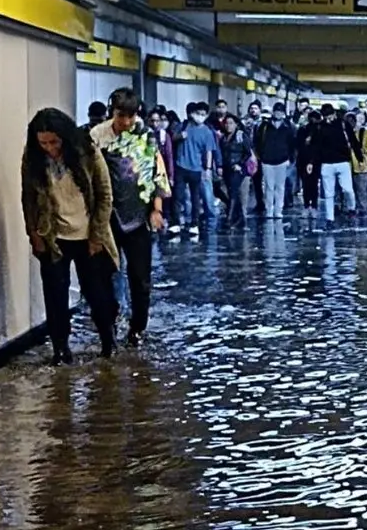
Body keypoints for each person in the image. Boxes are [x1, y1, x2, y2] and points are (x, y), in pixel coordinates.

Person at [21, 108, 119, 363]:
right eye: (43, 143)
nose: (49, 148)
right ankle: (61, 349)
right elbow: (28, 199)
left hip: (89, 236)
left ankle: (108, 341)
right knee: (55, 297)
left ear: (64, 137)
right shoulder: (33, 159)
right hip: (53, 237)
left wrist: (97, 235)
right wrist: (34, 234)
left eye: (54, 142)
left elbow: (105, 195)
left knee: (97, 294)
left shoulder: (87, 152)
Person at [90, 88, 170, 346]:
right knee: (105, 274)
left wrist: (157, 208)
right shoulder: (98, 136)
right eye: (120, 115)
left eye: (130, 116)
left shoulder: (145, 135)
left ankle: (137, 328)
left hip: (139, 214)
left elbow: (157, 172)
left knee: (140, 277)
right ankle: (109, 321)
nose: (125, 121)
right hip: (106, 216)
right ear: (112, 112)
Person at [168, 102, 213, 236]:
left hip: (196, 169)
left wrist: (208, 169)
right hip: (181, 166)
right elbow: (172, 138)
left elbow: (209, 151)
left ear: (206, 115)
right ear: (193, 114)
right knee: (177, 196)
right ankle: (176, 223)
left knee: (195, 197)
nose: (200, 116)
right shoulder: (184, 126)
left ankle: (194, 224)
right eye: (198, 113)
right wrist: (180, 136)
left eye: (203, 114)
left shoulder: (207, 132)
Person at [313, 103, 358, 226]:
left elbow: (353, 140)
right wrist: (313, 162)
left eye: (329, 115)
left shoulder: (343, 124)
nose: (328, 118)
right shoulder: (320, 127)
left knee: (348, 189)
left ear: (334, 113)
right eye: (326, 116)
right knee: (329, 193)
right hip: (327, 163)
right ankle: (330, 218)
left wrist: (359, 157)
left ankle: (351, 208)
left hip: (343, 161)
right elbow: (316, 146)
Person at [254, 102, 295, 219]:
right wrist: (260, 156)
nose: (278, 113)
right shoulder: (264, 126)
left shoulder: (289, 127)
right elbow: (257, 142)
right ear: (273, 112)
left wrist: (290, 158)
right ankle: (269, 210)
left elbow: (292, 143)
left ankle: (278, 210)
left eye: (280, 111)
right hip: (267, 161)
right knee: (269, 187)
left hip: (282, 160)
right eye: (277, 111)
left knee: (280, 187)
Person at [219, 114, 253, 229]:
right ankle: (239, 217)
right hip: (227, 168)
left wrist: (240, 164)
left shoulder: (240, 136)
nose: (228, 126)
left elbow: (247, 152)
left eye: (231, 123)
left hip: (238, 169)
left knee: (234, 192)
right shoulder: (223, 137)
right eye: (226, 123)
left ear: (236, 124)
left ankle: (230, 218)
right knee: (230, 192)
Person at [346, 111, 367, 216]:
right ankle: (350, 208)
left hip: (361, 165)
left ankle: (362, 208)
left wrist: (365, 150)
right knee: (348, 190)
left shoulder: (364, 131)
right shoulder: (343, 132)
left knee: (361, 189)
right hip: (346, 164)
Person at [296, 111, 323, 218]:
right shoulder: (303, 130)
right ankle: (309, 206)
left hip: (314, 161)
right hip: (305, 160)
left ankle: (311, 206)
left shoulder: (319, 131)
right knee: (308, 184)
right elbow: (299, 145)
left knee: (311, 184)